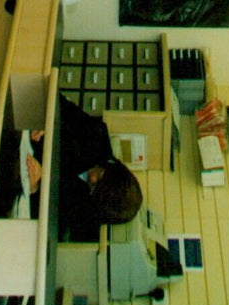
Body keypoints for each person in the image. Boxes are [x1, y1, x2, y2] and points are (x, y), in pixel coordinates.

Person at [25, 94, 143, 242]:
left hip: (17, 174)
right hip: (24, 129)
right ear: (112, 166)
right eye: (100, 176)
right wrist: (47, 120)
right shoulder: (96, 135)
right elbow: (58, 104)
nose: (91, 178)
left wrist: (35, 188)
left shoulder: (86, 214)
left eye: (94, 187)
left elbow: (44, 219)